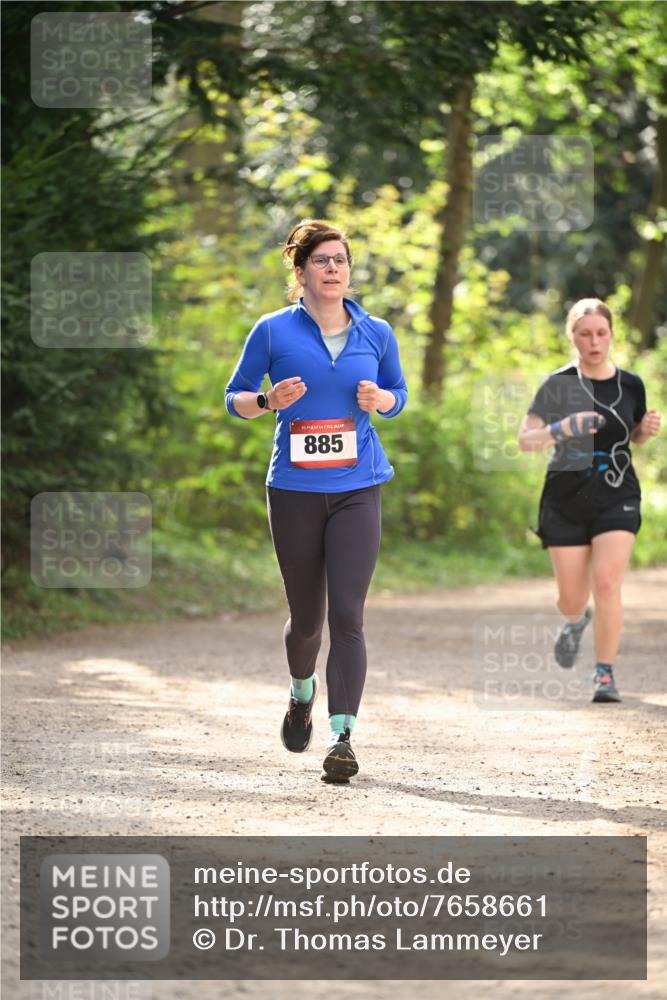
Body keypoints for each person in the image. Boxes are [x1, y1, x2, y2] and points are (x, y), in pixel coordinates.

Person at [225, 219, 407, 781]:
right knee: (308, 621)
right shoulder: (274, 331)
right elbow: (234, 399)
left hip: (358, 486)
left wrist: (383, 399)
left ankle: (342, 737)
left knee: (348, 616)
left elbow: (399, 394)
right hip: (295, 491)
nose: (334, 269)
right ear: (300, 271)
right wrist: (267, 398)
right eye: (323, 260)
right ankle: (301, 694)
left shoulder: (376, 332)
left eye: (341, 260)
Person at [518, 298, 661, 703]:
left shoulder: (631, 383)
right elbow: (525, 440)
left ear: (612, 334)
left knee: (608, 582)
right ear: (573, 337)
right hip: (565, 497)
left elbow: (629, 434)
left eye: (601, 333)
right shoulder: (557, 384)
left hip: (617, 493)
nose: (594, 341)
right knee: (571, 598)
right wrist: (563, 427)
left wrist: (644, 431)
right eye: (585, 334)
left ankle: (604, 674)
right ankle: (576, 620)